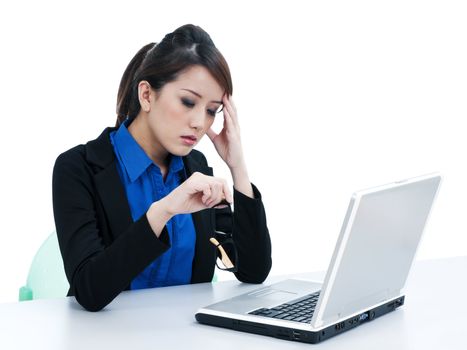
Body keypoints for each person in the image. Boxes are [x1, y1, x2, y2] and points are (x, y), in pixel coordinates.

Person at [52, 24, 272, 312]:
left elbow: (252, 271)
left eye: (211, 110)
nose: (199, 122)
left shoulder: (197, 170)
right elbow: (89, 290)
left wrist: (237, 167)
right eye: (188, 101)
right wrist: (163, 211)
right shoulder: (78, 168)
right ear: (146, 95)